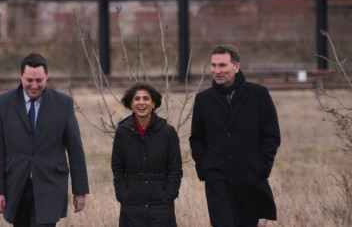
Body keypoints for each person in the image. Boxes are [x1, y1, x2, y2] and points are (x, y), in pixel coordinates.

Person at [0, 52, 89, 227]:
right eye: (29, 80)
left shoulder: (63, 103)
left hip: (50, 185)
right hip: (16, 186)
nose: (34, 85)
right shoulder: (2, 104)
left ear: (47, 76)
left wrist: (80, 191)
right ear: (21, 75)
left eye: (39, 80)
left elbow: (75, 149)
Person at [189, 44, 281, 227]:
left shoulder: (259, 95)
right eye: (213, 65)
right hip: (217, 182)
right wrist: (205, 167)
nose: (217, 71)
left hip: (249, 179)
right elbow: (197, 139)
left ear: (236, 67)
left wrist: (261, 167)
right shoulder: (203, 100)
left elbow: (271, 135)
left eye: (222, 65)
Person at [111, 82, 183, 227]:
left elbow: (175, 169)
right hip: (131, 204)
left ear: (154, 103)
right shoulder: (122, 132)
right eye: (137, 99)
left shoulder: (168, 132)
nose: (141, 103)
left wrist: (168, 195)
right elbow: (117, 168)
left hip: (161, 205)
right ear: (131, 103)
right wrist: (123, 195)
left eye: (146, 98)